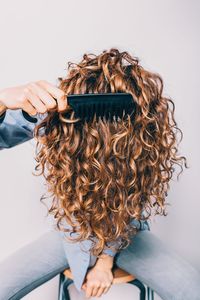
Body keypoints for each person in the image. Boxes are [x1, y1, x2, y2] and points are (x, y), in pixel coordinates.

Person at [0, 48, 200, 300]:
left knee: (191, 291)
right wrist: (4, 99)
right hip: (73, 233)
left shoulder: (141, 141)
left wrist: (105, 263)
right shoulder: (59, 119)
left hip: (125, 234)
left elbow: (129, 207)